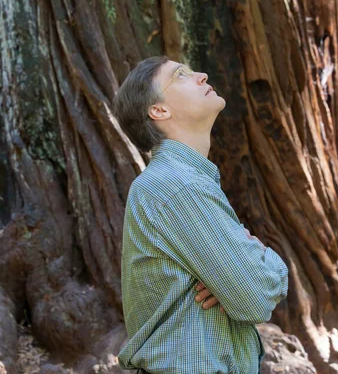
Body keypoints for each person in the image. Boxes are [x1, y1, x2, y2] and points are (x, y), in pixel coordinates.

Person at [113, 56, 288, 374]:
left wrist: (238, 279)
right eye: (181, 75)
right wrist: (262, 262)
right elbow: (255, 298)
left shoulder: (183, 181)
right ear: (159, 110)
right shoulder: (179, 186)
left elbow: (245, 291)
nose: (202, 75)